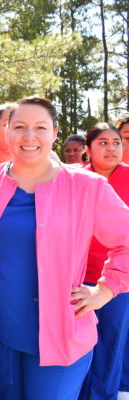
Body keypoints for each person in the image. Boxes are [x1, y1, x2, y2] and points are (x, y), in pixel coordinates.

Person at [0, 96, 129, 400]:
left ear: (54, 132)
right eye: (20, 127)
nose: (29, 136)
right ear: (6, 132)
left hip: (62, 334)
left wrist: (104, 290)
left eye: (40, 127)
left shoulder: (86, 186)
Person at [77, 123, 129, 400]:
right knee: (79, 344)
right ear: (87, 150)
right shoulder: (74, 178)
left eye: (116, 142)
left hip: (117, 280)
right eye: (103, 143)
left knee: (110, 342)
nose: (111, 148)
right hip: (76, 276)